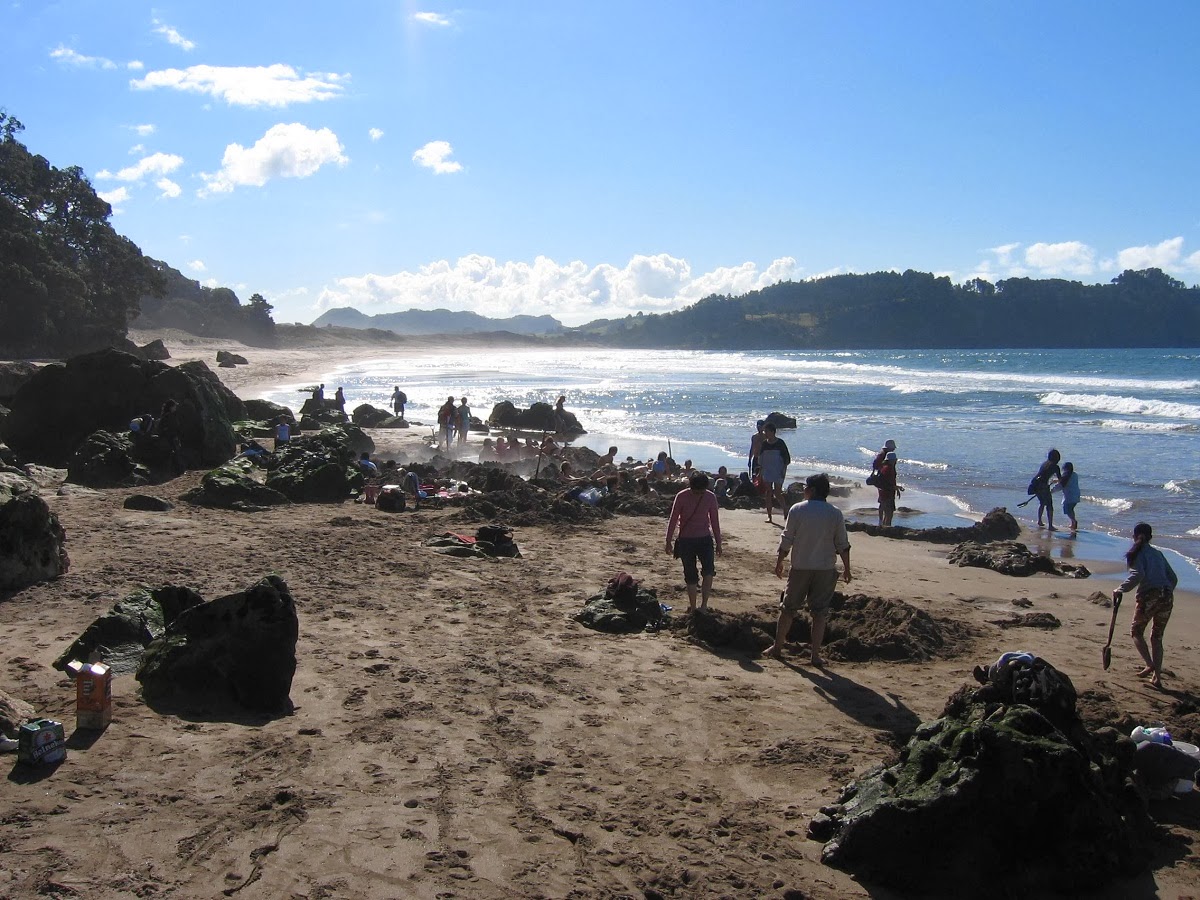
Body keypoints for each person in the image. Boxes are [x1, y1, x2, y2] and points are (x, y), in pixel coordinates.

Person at [765, 473, 852, 666]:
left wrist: (779, 561)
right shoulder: (835, 513)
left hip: (801, 567)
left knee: (788, 609)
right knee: (819, 613)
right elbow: (842, 544)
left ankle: (777, 647)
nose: (803, 490)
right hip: (825, 568)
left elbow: (787, 539)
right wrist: (847, 568)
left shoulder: (797, 510)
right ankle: (815, 656)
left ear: (811, 490)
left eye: (806, 487)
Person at [1114, 522, 1178, 689]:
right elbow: (1173, 578)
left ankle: (1150, 664)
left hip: (1149, 596)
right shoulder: (1158, 554)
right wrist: (1166, 591)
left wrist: (1120, 589)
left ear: (1134, 536)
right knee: (1157, 637)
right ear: (1151, 537)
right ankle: (1157, 678)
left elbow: (1138, 574)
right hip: (1167, 596)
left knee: (1136, 632)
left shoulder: (1136, 553)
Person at [664, 472, 722, 611]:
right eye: (696, 492)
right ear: (690, 486)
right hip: (685, 541)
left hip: (705, 539)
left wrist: (719, 542)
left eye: (701, 492)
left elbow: (715, 521)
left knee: (708, 571)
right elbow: (673, 519)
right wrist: (668, 540)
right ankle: (693, 606)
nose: (698, 495)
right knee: (690, 575)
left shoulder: (710, 497)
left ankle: (704, 605)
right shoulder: (682, 496)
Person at [758, 422, 791, 525]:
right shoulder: (764, 444)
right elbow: (761, 459)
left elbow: (787, 459)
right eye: (764, 431)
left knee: (777, 492)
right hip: (767, 470)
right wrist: (760, 472)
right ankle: (769, 516)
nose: (765, 433)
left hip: (778, 470)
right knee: (768, 493)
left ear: (772, 432)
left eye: (766, 431)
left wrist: (783, 471)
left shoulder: (780, 443)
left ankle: (785, 509)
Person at [1030, 448, 1063, 530]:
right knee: (1049, 505)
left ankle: (1039, 521)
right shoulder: (1056, 467)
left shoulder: (1044, 464)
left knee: (1042, 503)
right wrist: (1057, 480)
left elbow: (1043, 474)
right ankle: (1050, 525)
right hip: (1043, 486)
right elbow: (1060, 479)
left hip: (1035, 484)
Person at [1052, 461, 1081, 531]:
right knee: (1071, 509)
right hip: (1076, 495)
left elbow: (1060, 486)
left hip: (1069, 497)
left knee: (1067, 510)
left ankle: (1073, 521)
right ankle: (1073, 523)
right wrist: (1057, 480)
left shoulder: (1066, 477)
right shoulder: (1074, 475)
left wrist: (1051, 491)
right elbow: (1064, 480)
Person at [876, 450, 900, 527]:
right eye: (895, 459)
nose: (896, 461)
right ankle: (887, 528)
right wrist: (894, 487)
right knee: (889, 513)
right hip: (888, 494)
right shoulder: (889, 469)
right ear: (892, 460)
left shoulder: (883, 467)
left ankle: (882, 525)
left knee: (885, 511)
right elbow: (887, 482)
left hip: (883, 492)